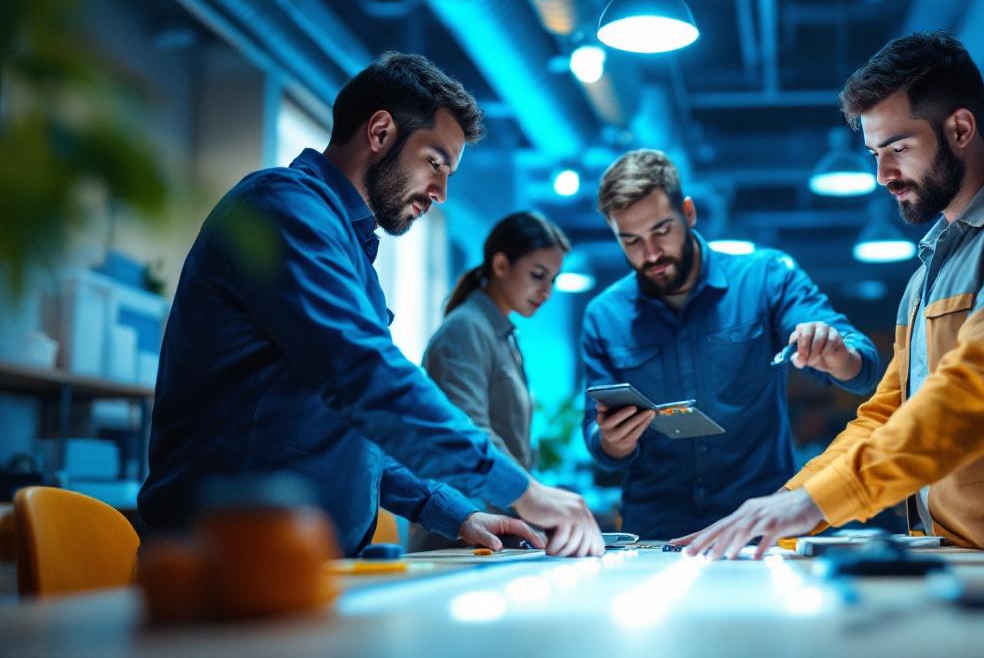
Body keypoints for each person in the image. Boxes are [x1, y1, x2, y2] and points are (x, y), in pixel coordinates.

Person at [679, 32, 984, 580]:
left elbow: (979, 394)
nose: (882, 175)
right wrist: (787, 505)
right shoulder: (929, 268)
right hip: (972, 561)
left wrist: (814, 504)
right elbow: (884, 414)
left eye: (899, 149)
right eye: (875, 154)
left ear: (960, 129)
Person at [139, 52, 603, 558]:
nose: (442, 192)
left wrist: (454, 510)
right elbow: (367, 377)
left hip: (297, 569)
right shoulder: (283, 210)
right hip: (225, 569)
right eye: (435, 162)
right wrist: (522, 491)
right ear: (380, 132)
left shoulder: (349, 249)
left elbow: (356, 428)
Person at [580, 149, 881, 540]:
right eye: (631, 241)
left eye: (661, 231)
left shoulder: (767, 277)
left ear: (688, 212)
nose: (651, 254)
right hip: (656, 533)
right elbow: (596, 434)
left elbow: (865, 370)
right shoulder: (603, 316)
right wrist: (610, 442)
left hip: (761, 526)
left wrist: (837, 354)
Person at [408, 211, 569, 550]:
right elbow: (470, 434)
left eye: (553, 279)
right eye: (538, 275)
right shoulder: (465, 329)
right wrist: (535, 498)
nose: (547, 291)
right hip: (460, 534)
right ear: (500, 265)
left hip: (495, 532)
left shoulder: (503, 336)